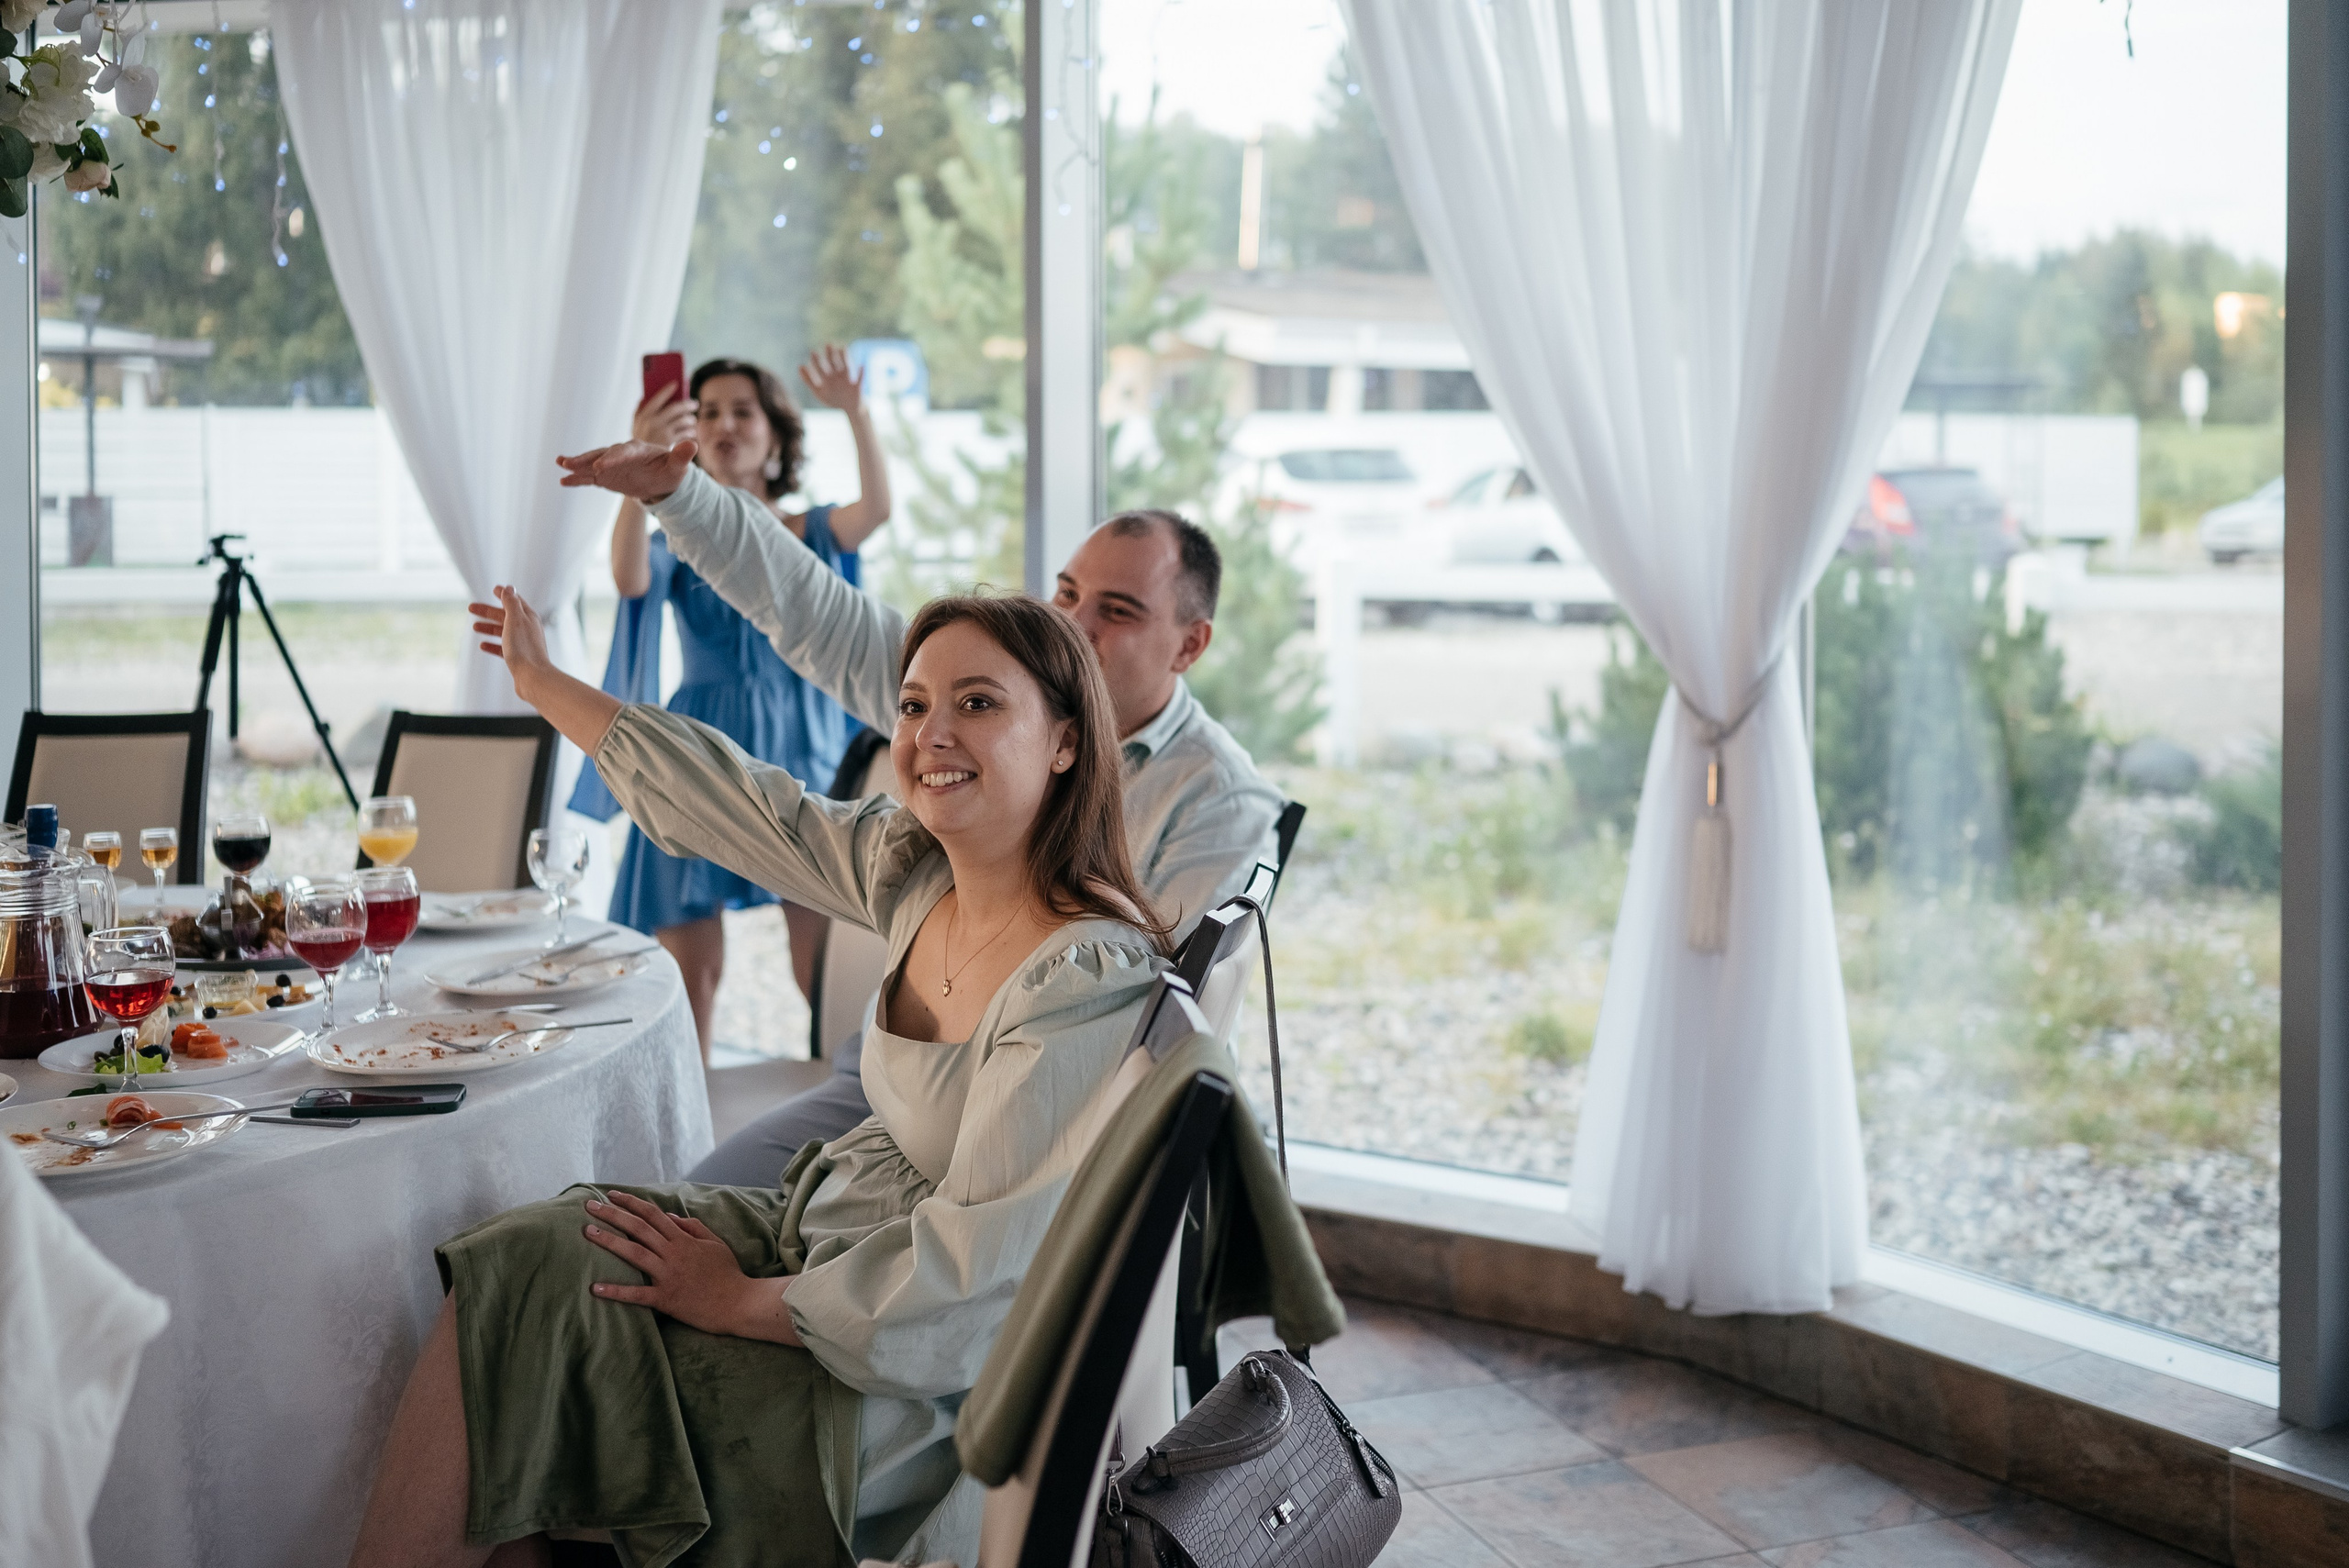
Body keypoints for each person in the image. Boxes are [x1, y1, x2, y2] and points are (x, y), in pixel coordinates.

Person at [348, 586, 1168, 1568]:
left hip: (908, 1380)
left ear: (1067, 741)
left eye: (978, 703)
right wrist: (542, 682)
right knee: (517, 1267)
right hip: (822, 1250)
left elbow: (971, 1282)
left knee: (539, 1361)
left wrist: (737, 1299)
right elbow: (738, 803)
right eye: (913, 705)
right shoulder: (918, 869)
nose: (931, 733)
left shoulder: (1083, 974)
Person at [554, 437, 1286, 1184]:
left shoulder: (1220, 803)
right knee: (679, 1207)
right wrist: (682, 496)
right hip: (883, 1083)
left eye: (1117, 611)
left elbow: (1134, 1022)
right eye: (1066, 593)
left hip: (1029, 1123)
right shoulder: (979, 695)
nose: (1074, 623)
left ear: (1189, 644)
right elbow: (815, 612)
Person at [571, 348, 892, 1060]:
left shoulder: (809, 529)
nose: (724, 424)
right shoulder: (675, 532)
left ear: (775, 435)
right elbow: (627, 579)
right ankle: (691, 1116)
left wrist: (855, 411)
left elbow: (877, 511)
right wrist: (639, 477)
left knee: (824, 958)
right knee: (692, 969)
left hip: (803, 744)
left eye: (742, 411)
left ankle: (849, 1092)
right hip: (709, 741)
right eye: (707, 410)